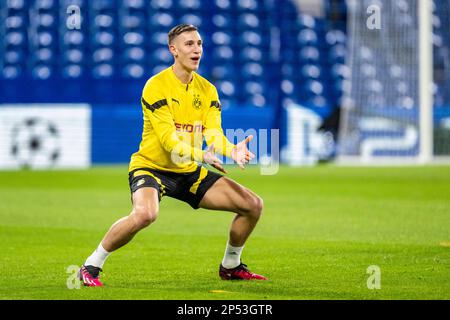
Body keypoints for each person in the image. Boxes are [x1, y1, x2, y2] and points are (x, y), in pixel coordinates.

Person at [79, 24, 267, 286]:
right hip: (151, 167)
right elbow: (169, 141)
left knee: (252, 206)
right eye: (189, 44)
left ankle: (231, 265)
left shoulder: (208, 90)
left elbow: (213, 133)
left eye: (199, 44)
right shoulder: (156, 86)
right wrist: (202, 155)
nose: (197, 49)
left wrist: (230, 149)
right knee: (145, 214)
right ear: (173, 50)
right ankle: (91, 265)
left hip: (187, 170)